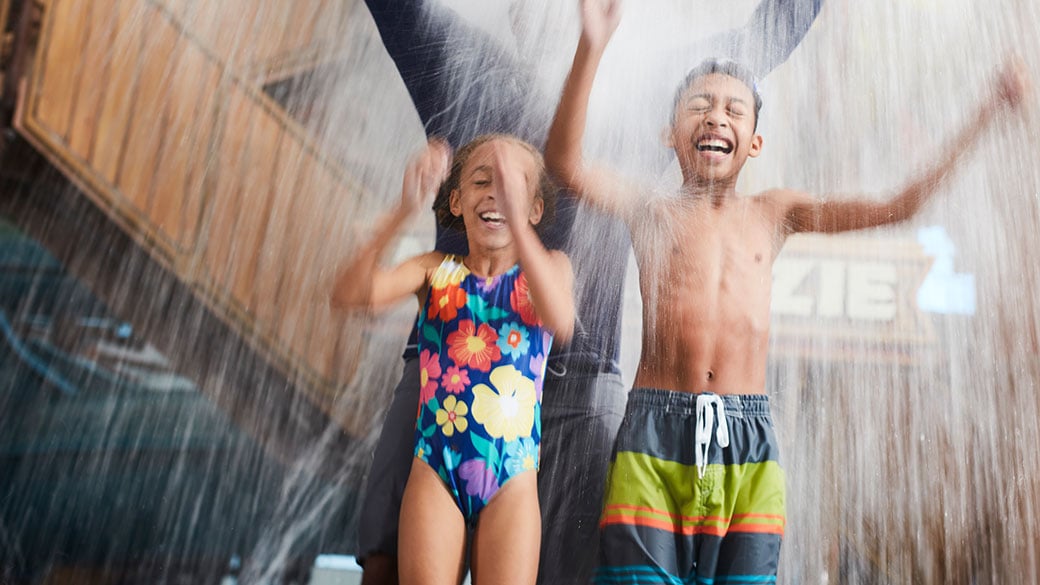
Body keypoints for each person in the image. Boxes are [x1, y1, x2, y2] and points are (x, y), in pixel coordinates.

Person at [544, 0, 1031, 582]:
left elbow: (899, 206)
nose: (715, 115)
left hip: (747, 440)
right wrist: (590, 47)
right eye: (698, 105)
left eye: (734, 109)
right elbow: (565, 163)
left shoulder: (775, 213)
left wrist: (985, 114)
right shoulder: (651, 210)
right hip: (653, 433)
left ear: (754, 143)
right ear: (668, 133)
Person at [355, 2, 825, 584]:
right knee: (387, 561)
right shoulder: (461, 67)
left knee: (580, 569)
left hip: (580, 375)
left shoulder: (653, 90)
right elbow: (398, 10)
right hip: (450, 365)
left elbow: (769, 33)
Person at [333, 135, 575, 585]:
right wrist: (404, 209)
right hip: (435, 469)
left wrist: (520, 230)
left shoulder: (551, 268)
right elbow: (350, 295)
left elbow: (560, 321)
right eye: (482, 182)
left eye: (511, 187)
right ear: (457, 201)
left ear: (535, 209)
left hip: (513, 478)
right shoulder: (434, 269)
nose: (495, 193)